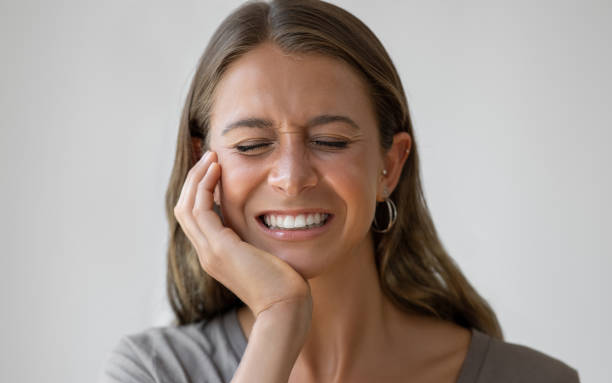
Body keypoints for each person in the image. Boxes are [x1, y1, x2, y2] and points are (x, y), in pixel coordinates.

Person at [101, 1, 579, 382]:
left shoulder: (532, 379)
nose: (291, 177)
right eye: (251, 145)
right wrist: (280, 319)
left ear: (389, 166)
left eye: (330, 141)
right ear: (202, 165)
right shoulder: (153, 373)